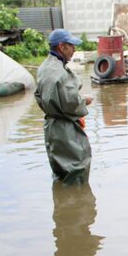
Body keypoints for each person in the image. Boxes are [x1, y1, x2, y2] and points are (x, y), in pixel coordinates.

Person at [35, 29, 94, 184]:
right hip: (64, 129)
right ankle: (78, 204)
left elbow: (41, 96)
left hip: (53, 127)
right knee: (77, 169)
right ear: (62, 47)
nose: (74, 49)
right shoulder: (57, 72)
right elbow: (70, 102)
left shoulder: (45, 67)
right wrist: (84, 101)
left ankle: (64, 204)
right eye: (71, 46)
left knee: (61, 172)